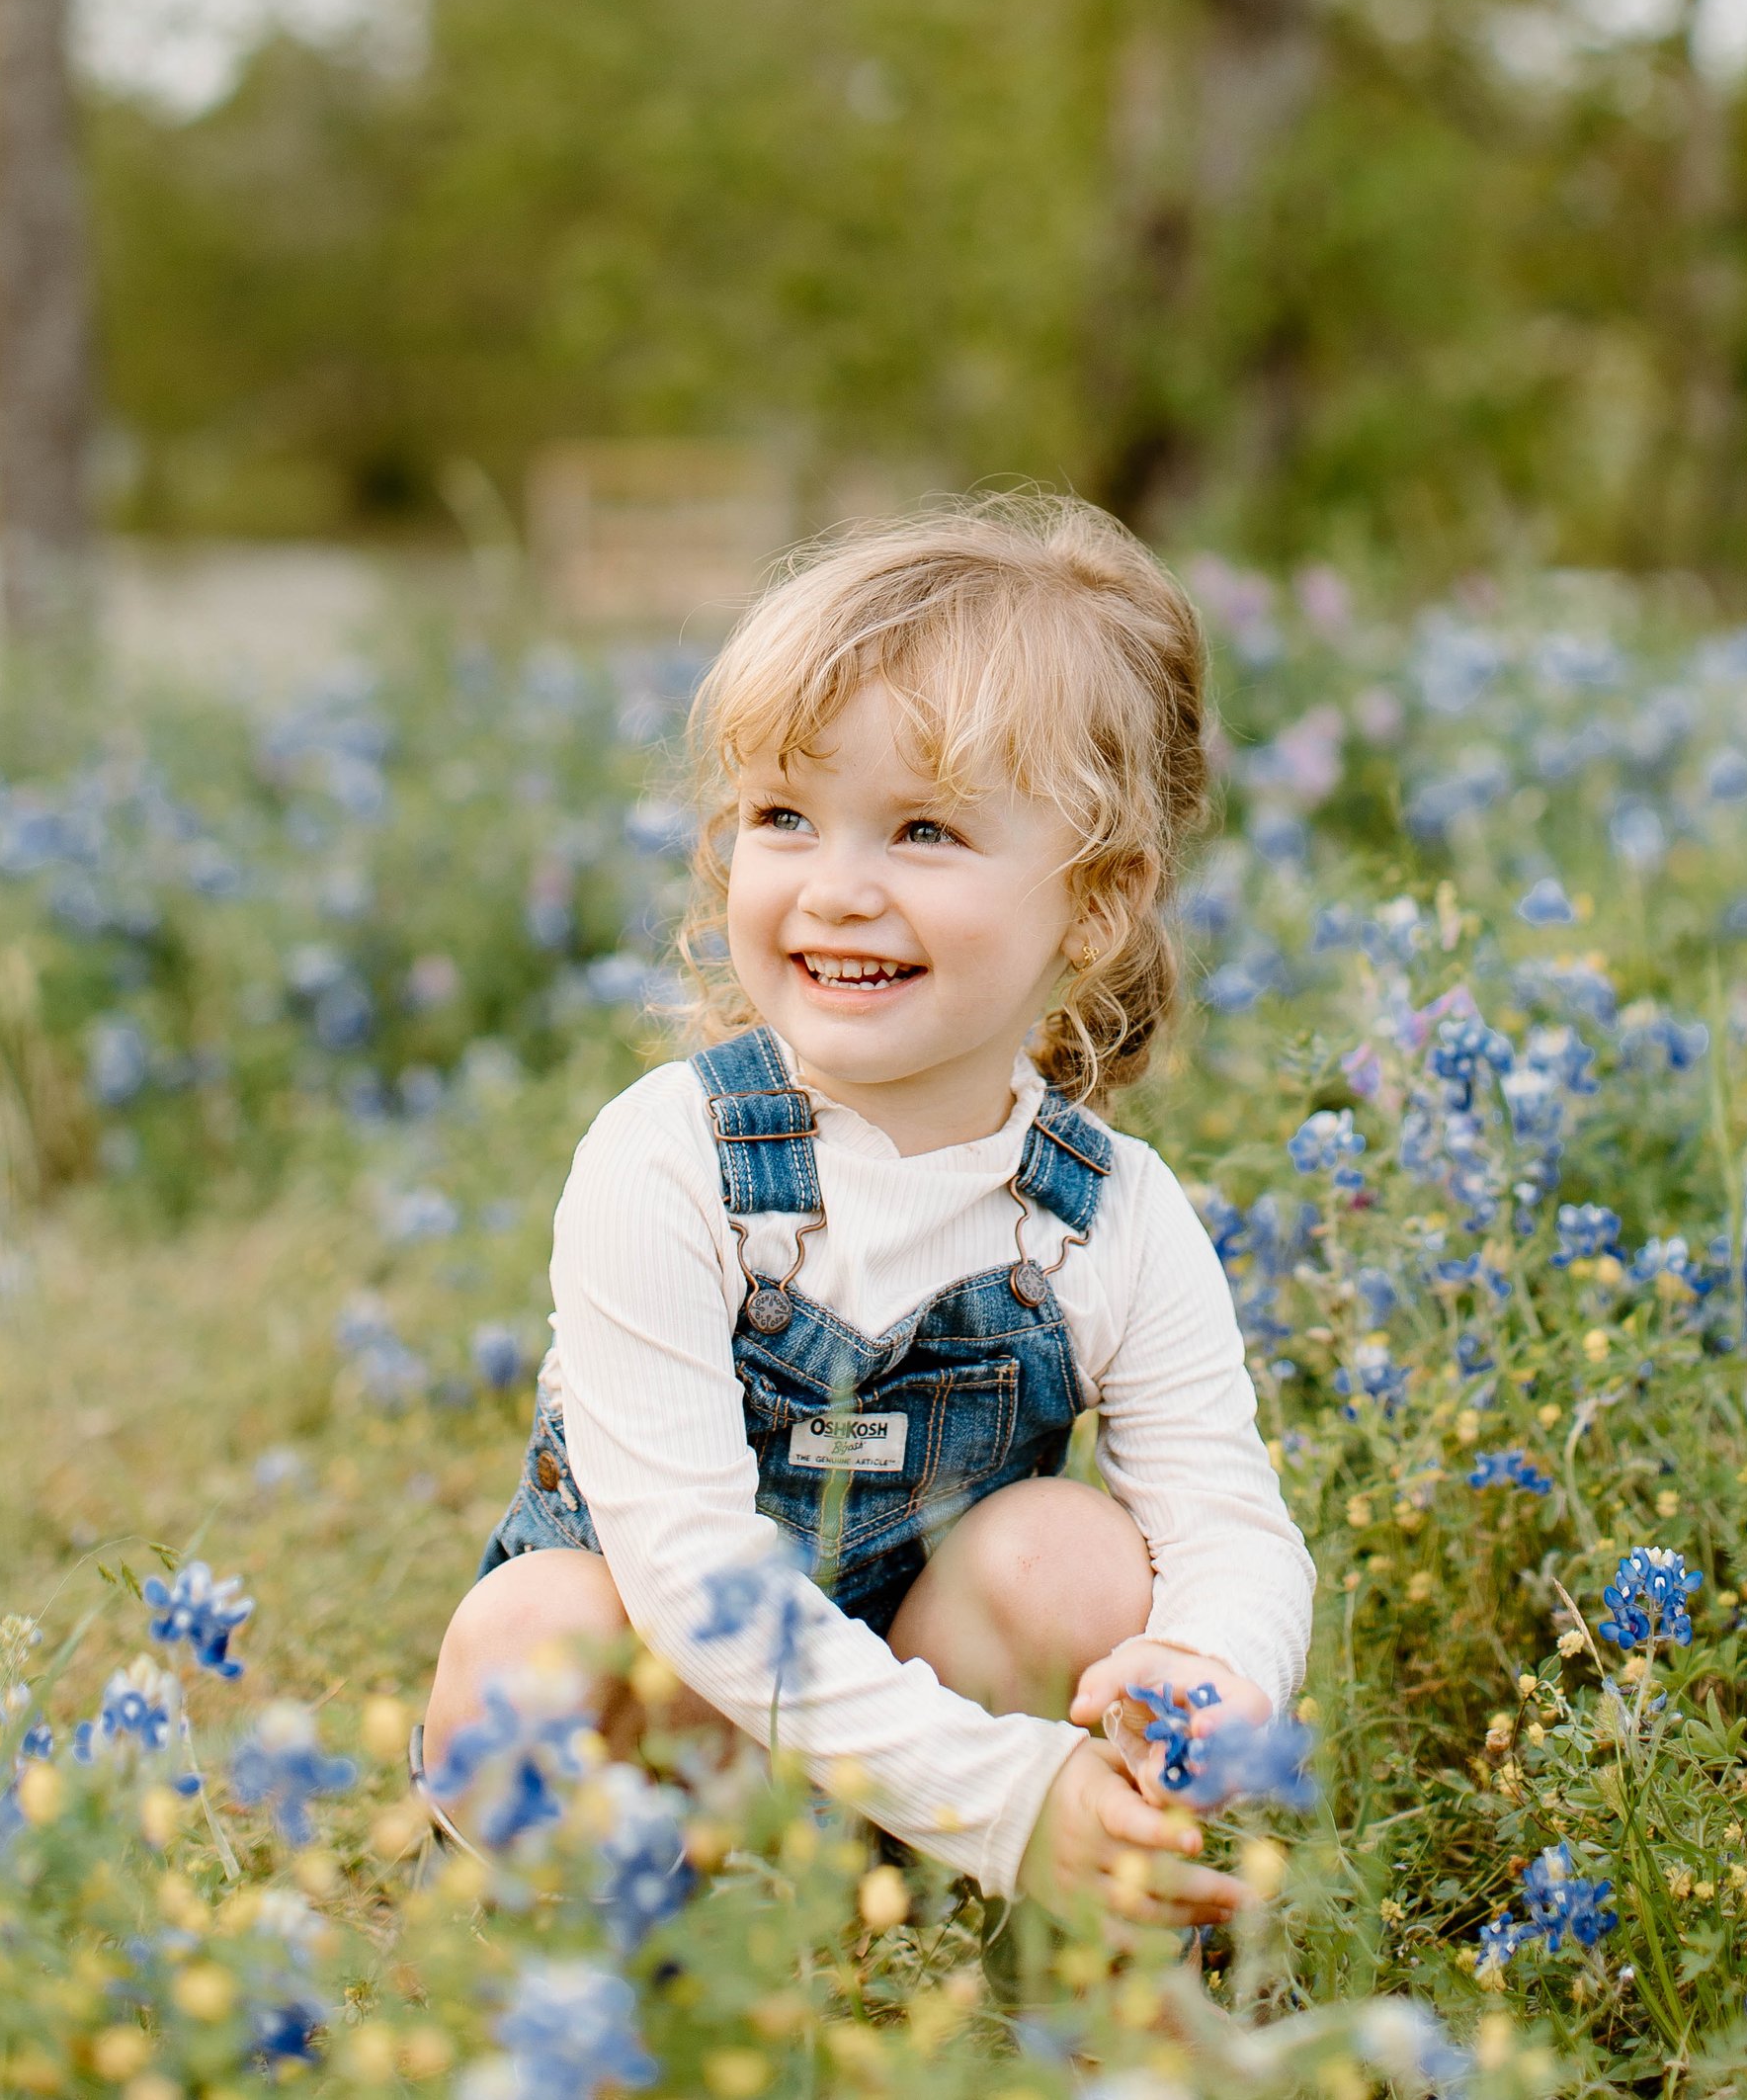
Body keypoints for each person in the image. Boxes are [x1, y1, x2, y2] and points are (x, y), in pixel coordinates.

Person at [421, 497, 1314, 1923]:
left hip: (929, 1787)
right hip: (669, 1756)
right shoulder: (668, 1159)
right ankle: (577, 1972)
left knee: (1081, 1557)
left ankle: (962, 1929)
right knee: (545, 1628)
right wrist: (1013, 1794)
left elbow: (1230, 1520)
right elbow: (698, 1583)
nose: (836, 887)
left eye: (922, 828)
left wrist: (1211, 1665)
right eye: (784, 815)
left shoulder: (1113, 1219)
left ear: (1094, 902)